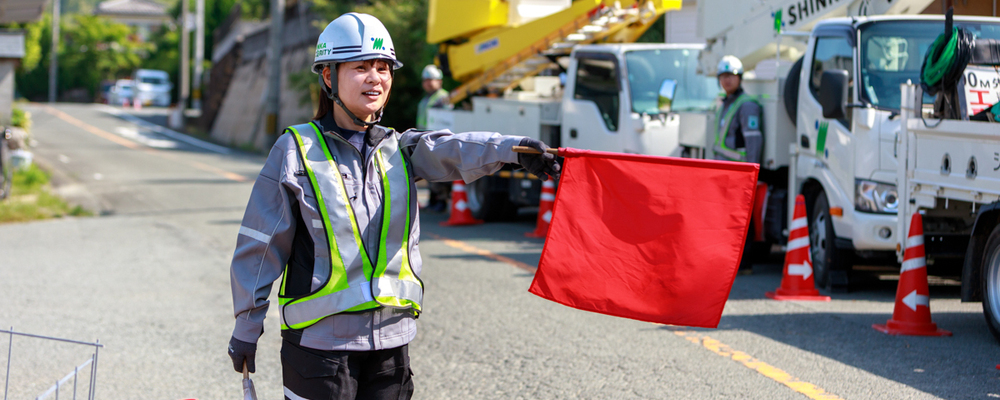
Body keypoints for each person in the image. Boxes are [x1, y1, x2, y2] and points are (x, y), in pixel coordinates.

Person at [226, 12, 559, 400]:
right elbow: (261, 245)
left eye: (383, 67)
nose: (376, 78)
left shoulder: (399, 149)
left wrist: (515, 151)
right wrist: (246, 328)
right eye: (361, 67)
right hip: (319, 351)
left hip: (390, 348)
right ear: (329, 77)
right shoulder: (296, 151)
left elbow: (453, 148)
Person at [713, 55, 764, 274]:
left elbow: (753, 141)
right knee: (727, 219)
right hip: (725, 172)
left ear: (740, 78)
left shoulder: (746, 105)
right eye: (723, 76)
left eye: (731, 76)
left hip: (740, 171)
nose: (727, 80)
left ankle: (745, 263)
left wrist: (752, 172)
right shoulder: (725, 103)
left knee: (741, 220)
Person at [416, 64, 453, 212]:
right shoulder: (427, 99)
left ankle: (441, 200)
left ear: (440, 81)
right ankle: (433, 199)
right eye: (426, 80)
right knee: (429, 170)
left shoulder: (443, 97)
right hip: (425, 139)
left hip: (438, 141)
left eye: (431, 79)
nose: (428, 83)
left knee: (439, 171)